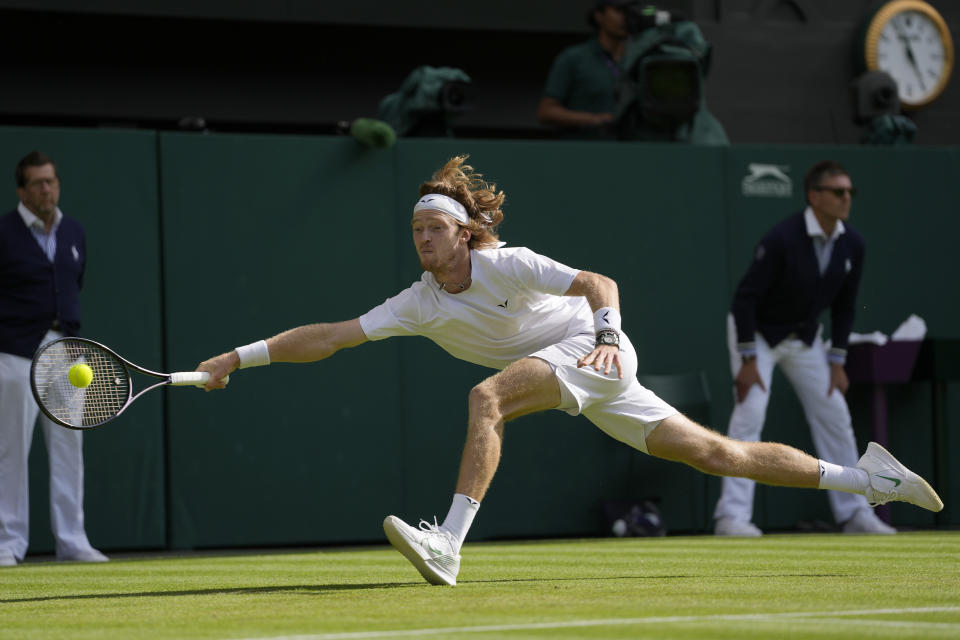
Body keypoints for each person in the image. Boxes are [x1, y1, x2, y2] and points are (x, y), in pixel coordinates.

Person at [196, 155, 941, 586]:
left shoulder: (507, 264)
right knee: (721, 454)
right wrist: (237, 357)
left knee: (485, 395)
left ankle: (448, 543)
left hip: (591, 349)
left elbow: (597, 282)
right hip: (582, 373)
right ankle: (869, 478)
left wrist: (611, 337)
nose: (423, 237)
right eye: (416, 229)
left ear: (465, 233)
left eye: (435, 228)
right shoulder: (419, 301)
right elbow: (329, 336)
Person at [713, 160, 895, 536]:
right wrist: (748, 359)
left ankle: (855, 513)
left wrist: (837, 361)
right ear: (814, 196)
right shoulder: (781, 238)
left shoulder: (853, 244)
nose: (847, 198)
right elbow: (744, 301)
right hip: (758, 336)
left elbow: (845, 307)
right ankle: (731, 517)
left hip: (806, 340)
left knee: (835, 416)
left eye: (850, 192)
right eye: (838, 192)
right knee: (750, 414)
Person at [0, 151, 108, 567]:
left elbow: (73, 284)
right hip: (14, 353)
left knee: (68, 446)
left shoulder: (74, 231)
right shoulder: (4, 232)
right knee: (12, 449)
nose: (46, 189)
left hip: (66, 354)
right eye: (38, 183)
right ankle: (9, 542)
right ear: (22, 191)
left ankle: (73, 539)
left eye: (51, 181)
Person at [536, 0, 631, 135]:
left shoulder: (639, 60)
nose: (625, 17)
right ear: (599, 16)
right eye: (618, 10)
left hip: (632, 149)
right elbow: (546, 112)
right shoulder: (574, 58)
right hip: (586, 148)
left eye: (628, 11)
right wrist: (594, 119)